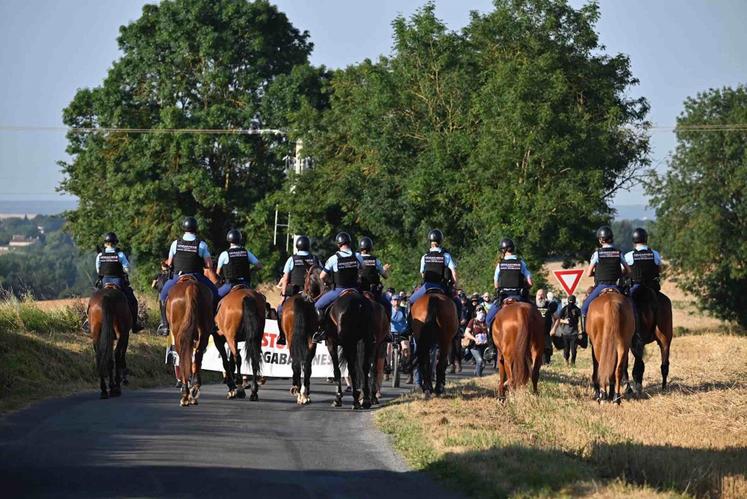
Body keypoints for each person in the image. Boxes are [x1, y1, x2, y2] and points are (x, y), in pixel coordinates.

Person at [158, 217, 219, 335]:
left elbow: (169, 263)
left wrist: (165, 266)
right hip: (196, 276)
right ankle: (211, 323)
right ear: (196, 228)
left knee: (163, 295)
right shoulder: (201, 245)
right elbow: (208, 265)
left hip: (177, 276)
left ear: (183, 228)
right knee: (215, 292)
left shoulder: (175, 243)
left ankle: (165, 325)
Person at [313, 232, 363, 343]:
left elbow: (322, 276)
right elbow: (361, 270)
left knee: (317, 306)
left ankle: (321, 331)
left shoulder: (333, 258)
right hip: (355, 290)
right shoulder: (357, 256)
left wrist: (328, 282)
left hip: (339, 290)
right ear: (349, 243)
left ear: (338, 244)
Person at [580, 226, 630, 334]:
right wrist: (620, 274)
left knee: (584, 309)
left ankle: (583, 334)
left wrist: (597, 273)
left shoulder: (597, 254)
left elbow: (588, 273)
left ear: (601, 240)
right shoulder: (618, 253)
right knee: (632, 308)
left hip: (601, 286)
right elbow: (628, 270)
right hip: (616, 286)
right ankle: (635, 332)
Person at [94, 232, 144, 332]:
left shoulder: (100, 255)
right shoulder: (120, 254)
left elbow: (98, 270)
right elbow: (127, 269)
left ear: (105, 244)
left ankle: (89, 320)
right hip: (118, 281)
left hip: (104, 281)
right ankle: (134, 324)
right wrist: (122, 270)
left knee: (95, 299)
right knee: (132, 301)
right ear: (115, 243)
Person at [275, 235, 320, 345]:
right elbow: (321, 275)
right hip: (310, 295)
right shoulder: (315, 259)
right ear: (308, 246)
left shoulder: (292, 259)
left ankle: (281, 335)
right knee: (320, 311)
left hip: (294, 292)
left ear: (297, 246)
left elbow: (285, 279)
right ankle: (318, 333)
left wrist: (283, 296)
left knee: (280, 310)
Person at [407, 229, 461, 315]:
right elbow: (453, 272)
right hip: (443, 286)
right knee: (458, 303)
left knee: (410, 301)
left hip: (427, 286)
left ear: (430, 241)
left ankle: (409, 326)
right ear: (440, 241)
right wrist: (455, 284)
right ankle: (457, 327)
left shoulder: (425, 256)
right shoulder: (446, 255)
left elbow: (422, 273)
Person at [486, 238, 533, 330]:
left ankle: (491, 343)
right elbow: (530, 282)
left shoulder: (499, 265)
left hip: (503, 297)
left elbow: (496, 283)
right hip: (519, 296)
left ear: (503, 250)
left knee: (488, 320)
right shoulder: (521, 263)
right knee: (536, 315)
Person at [216, 229, 263, 298]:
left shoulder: (224, 254)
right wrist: (251, 270)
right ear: (240, 239)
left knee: (215, 297)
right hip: (245, 284)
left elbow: (218, 273)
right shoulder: (246, 252)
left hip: (230, 284)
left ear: (228, 239)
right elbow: (259, 266)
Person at [357, 236, 392, 315]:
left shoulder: (356, 259)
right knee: (387, 305)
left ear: (360, 248)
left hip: (359, 290)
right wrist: (383, 270)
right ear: (370, 248)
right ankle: (387, 325)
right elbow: (385, 276)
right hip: (373, 291)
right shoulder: (376, 260)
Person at [624, 227, 662, 293]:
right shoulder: (655, 254)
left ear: (633, 240)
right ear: (646, 239)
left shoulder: (628, 256)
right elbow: (660, 270)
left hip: (635, 288)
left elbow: (623, 271)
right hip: (652, 287)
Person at [556, 294, 581, 366]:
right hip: (565, 333)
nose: (571, 302)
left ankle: (573, 363)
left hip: (574, 333)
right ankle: (566, 362)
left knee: (573, 351)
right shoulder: (564, 309)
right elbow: (558, 319)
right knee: (566, 351)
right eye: (570, 301)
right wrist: (565, 321)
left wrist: (579, 332)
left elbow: (581, 319)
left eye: (572, 301)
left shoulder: (577, 309)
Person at [463, 309, 490, 377]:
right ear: (476, 312)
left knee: (483, 363)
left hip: (484, 345)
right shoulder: (473, 321)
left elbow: (489, 333)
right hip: (474, 346)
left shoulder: (485, 322)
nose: (481, 313)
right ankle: (479, 377)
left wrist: (487, 339)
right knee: (480, 360)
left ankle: (477, 372)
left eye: (482, 311)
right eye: (479, 311)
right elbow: (466, 332)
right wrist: (474, 339)